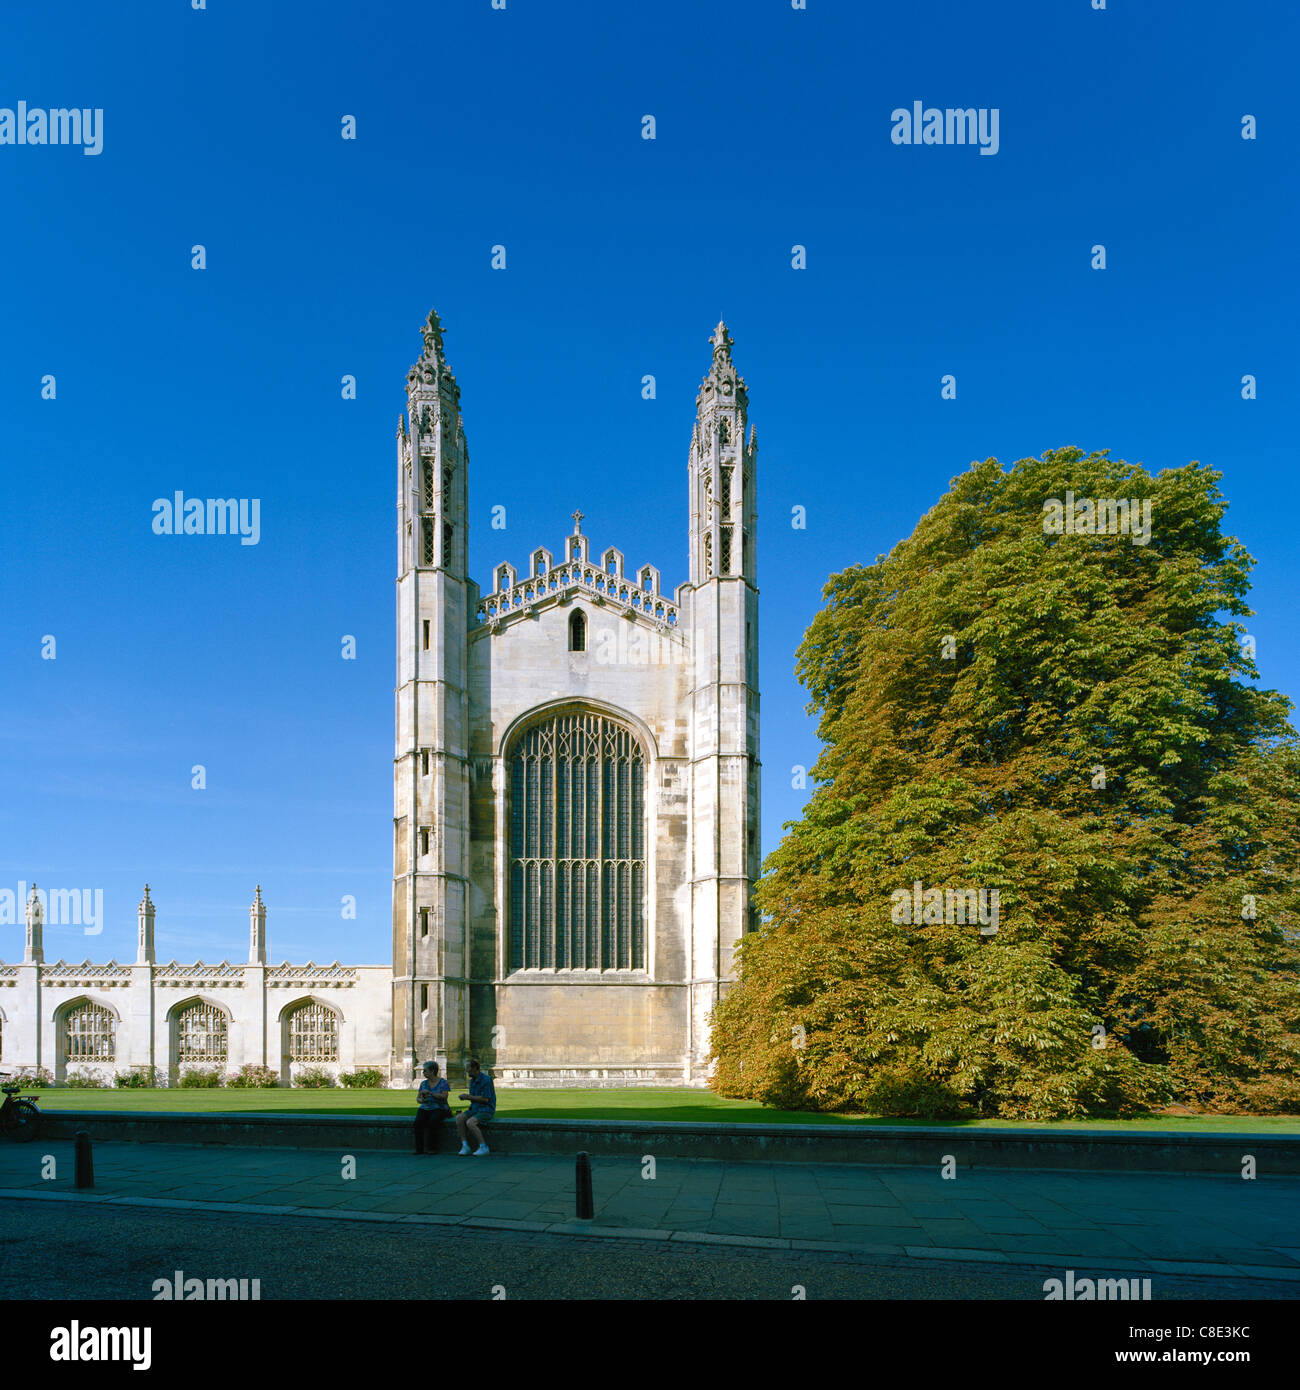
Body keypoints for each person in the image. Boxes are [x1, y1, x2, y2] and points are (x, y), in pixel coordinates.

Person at [455, 1058, 496, 1156]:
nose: (466, 1070)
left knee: (470, 1122)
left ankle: (483, 1146)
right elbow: (474, 1098)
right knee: (459, 1118)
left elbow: (486, 1099)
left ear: (474, 1068)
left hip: (486, 1109)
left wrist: (468, 1097)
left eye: (468, 1068)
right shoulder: (472, 1081)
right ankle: (465, 1145)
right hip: (475, 1108)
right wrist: (468, 1098)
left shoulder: (486, 1080)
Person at [414, 1060, 454, 1154]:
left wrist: (431, 1093)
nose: (423, 1072)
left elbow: (444, 1097)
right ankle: (419, 1148)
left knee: (433, 1122)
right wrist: (422, 1100)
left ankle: (432, 1148)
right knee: (417, 1123)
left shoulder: (443, 1082)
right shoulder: (423, 1084)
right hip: (425, 1107)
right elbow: (418, 1099)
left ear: (432, 1071)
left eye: (425, 1071)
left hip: (439, 1107)